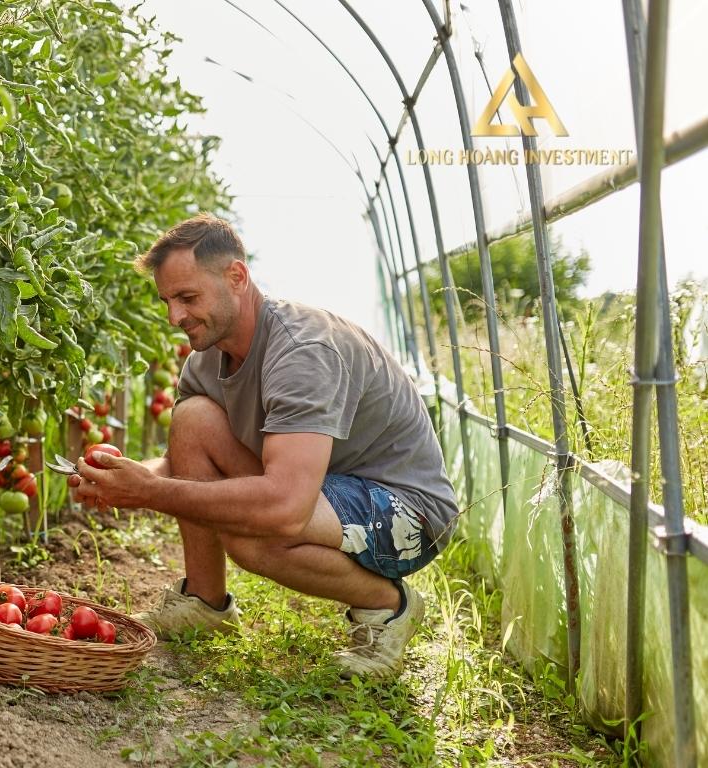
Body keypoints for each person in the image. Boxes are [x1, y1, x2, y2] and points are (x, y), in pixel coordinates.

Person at [69, 213, 459, 679]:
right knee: (192, 419)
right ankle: (204, 602)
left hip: (406, 510)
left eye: (188, 297)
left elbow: (286, 508)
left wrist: (150, 494)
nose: (175, 316)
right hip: (322, 488)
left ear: (237, 276)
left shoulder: (303, 351)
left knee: (252, 531)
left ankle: (388, 606)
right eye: (168, 301)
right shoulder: (206, 359)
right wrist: (125, 479)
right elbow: (186, 461)